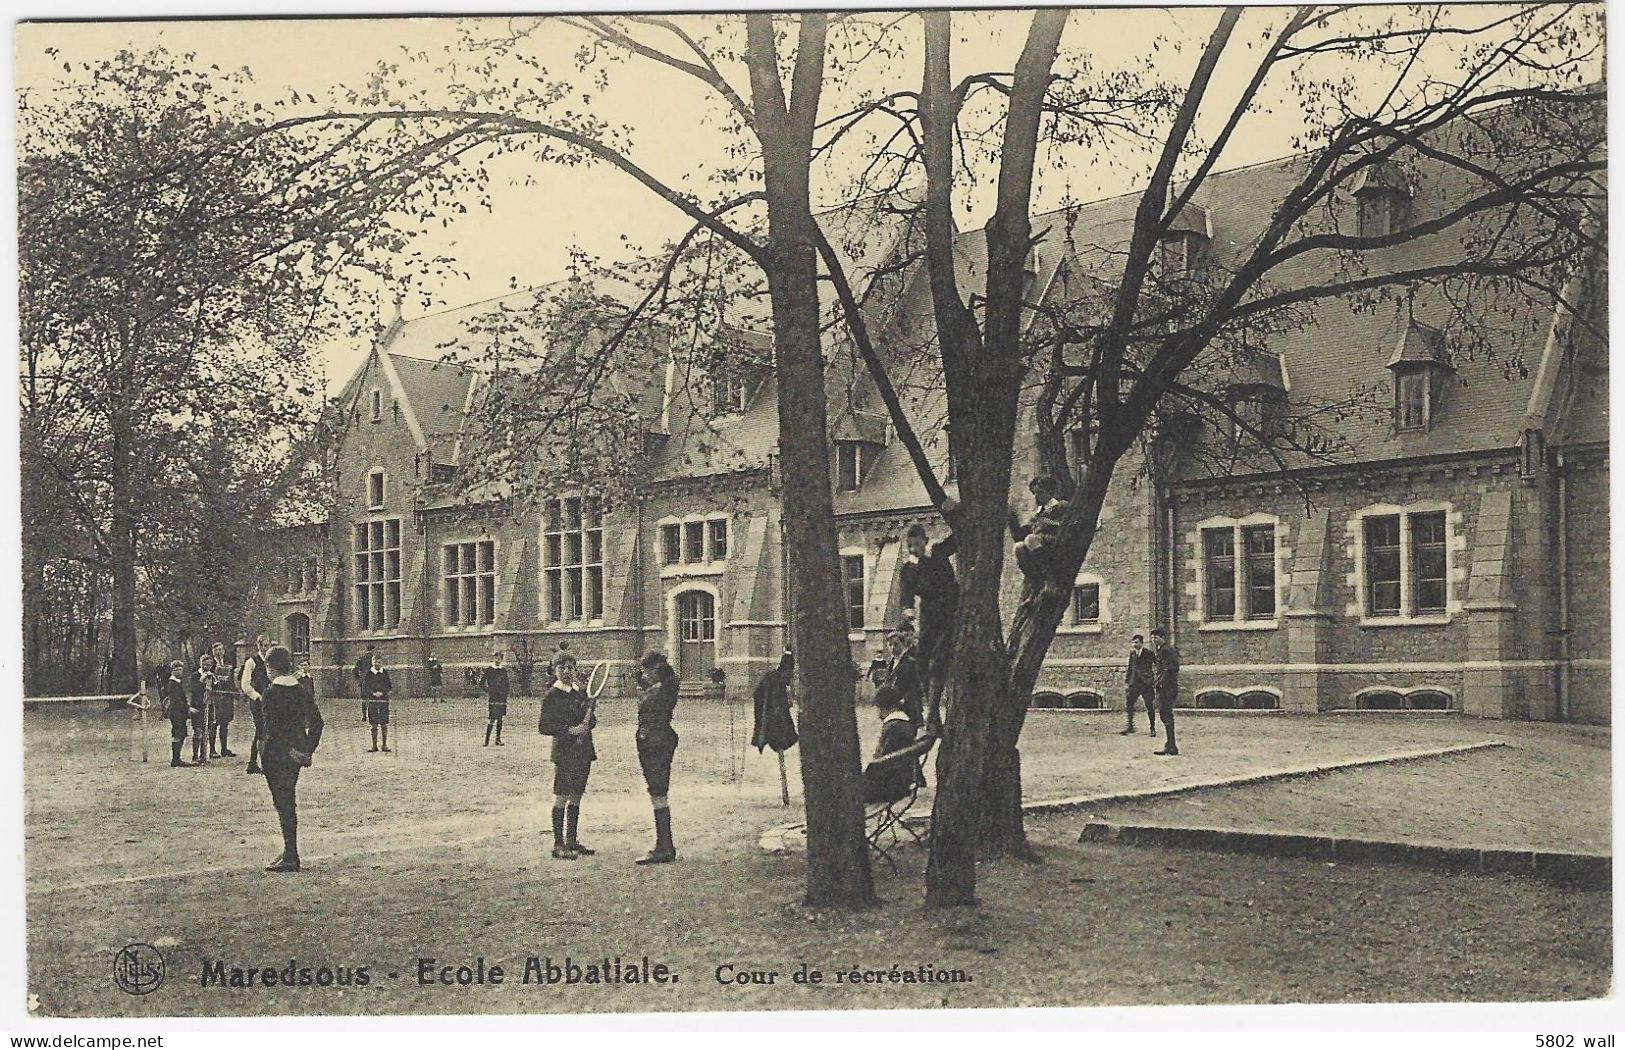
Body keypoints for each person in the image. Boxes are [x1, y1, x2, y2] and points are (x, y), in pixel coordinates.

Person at [260, 645, 324, 872]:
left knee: (283, 803)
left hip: (276, 754)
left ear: (270, 668)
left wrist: (289, 750)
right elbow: (317, 723)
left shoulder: (270, 694)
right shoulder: (301, 691)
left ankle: (291, 854)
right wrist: (306, 749)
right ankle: (289, 850)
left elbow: (272, 729)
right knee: (287, 801)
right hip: (295, 753)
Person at [898, 511, 958, 733]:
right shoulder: (909, 569)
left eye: (917, 544)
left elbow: (959, 537)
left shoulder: (938, 555)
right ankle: (931, 710)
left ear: (925, 540)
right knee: (921, 659)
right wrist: (907, 609)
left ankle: (933, 712)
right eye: (910, 546)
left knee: (939, 660)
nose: (914, 549)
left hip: (949, 613)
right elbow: (906, 594)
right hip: (929, 615)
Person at [543, 653, 596, 860]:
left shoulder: (580, 693)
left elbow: (591, 722)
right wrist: (570, 730)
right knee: (562, 795)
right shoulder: (552, 695)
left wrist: (589, 718)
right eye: (562, 667)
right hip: (565, 751)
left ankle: (572, 839)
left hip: (583, 751)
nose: (566, 672)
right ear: (555, 670)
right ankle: (558, 843)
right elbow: (545, 726)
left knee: (577, 794)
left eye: (570, 668)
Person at [634, 651, 681, 865]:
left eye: (646, 671)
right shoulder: (667, 688)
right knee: (659, 792)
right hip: (661, 740)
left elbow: (646, 708)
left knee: (657, 793)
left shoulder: (656, 691)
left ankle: (664, 846)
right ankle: (665, 843)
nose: (644, 675)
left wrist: (642, 693)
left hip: (654, 742)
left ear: (654, 669)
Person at [1008, 474, 1070, 597]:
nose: (1037, 497)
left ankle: (1049, 578)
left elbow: (1066, 525)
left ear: (1050, 492)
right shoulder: (1039, 512)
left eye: (1040, 493)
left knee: (1030, 539)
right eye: (1035, 493)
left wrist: (1047, 523)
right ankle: (1035, 580)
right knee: (1019, 547)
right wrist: (1012, 520)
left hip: (1054, 541)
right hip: (1038, 544)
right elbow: (1023, 533)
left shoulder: (1061, 506)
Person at [862, 685, 921, 804]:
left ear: (884, 707)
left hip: (891, 786)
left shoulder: (893, 727)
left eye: (878, 708)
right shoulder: (904, 723)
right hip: (901, 780)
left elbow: (883, 761)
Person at [750, 651, 799, 754]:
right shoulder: (776, 681)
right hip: (774, 726)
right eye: (790, 673)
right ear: (786, 671)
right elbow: (777, 707)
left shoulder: (773, 678)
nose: (790, 677)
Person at [239, 634, 272, 775]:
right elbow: (245, 685)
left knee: (263, 731)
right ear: (258, 645)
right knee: (261, 731)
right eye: (263, 645)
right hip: (257, 701)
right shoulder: (251, 662)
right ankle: (262, 764)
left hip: (270, 701)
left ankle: (253, 763)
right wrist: (257, 697)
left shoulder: (271, 661)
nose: (265, 648)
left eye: (267, 645)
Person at [1151, 627, 1181, 756]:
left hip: (1167, 688)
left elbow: (1170, 670)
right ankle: (1170, 744)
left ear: (1163, 638)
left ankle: (1171, 746)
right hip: (1166, 687)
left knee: (1166, 715)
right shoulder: (1162, 650)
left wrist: (1159, 683)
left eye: (1156, 637)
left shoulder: (1166, 651)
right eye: (1152, 637)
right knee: (1165, 715)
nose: (1154, 640)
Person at [1123, 633, 1158, 736]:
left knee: (1149, 706)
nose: (1134, 644)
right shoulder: (1132, 654)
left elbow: (1157, 665)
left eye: (1137, 642)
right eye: (1133, 642)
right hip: (1134, 684)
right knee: (1129, 704)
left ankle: (1152, 728)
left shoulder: (1149, 653)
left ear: (1142, 643)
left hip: (1146, 684)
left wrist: (1153, 678)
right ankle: (1130, 726)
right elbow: (1130, 668)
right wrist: (1127, 682)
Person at [160, 659, 192, 768]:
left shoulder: (178, 682)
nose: (179, 672)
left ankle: (177, 758)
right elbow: (177, 700)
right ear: (172, 671)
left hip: (180, 712)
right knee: (177, 734)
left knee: (181, 733)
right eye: (176, 670)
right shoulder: (172, 684)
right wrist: (188, 708)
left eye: (180, 669)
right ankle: (175, 759)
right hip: (176, 712)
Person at [187, 654, 218, 764]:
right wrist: (202, 679)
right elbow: (194, 689)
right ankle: (195, 756)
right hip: (197, 706)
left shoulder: (211, 675)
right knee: (198, 730)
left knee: (208, 729)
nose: (207, 667)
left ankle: (204, 755)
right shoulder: (195, 675)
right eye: (205, 664)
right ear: (201, 664)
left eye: (209, 664)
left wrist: (214, 680)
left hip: (209, 705)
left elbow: (215, 689)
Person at [208, 642, 237, 757]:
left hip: (226, 697)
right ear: (213, 652)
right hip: (215, 697)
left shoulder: (228, 664)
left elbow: (231, 680)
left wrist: (235, 692)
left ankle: (224, 749)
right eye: (216, 650)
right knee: (214, 723)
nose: (218, 652)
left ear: (224, 651)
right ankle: (212, 750)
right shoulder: (210, 665)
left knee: (225, 723)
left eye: (220, 650)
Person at [361, 654, 392, 753]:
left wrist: (382, 692)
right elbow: (365, 687)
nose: (377, 664)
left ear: (381, 663)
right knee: (373, 723)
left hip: (383, 701)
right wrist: (373, 693)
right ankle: (374, 745)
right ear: (372, 662)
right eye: (375, 662)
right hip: (373, 701)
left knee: (384, 723)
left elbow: (389, 686)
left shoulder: (385, 673)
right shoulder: (369, 674)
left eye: (379, 662)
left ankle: (384, 745)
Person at [479, 650, 510, 747]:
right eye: (496, 658)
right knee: (492, 718)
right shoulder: (489, 670)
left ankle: (498, 739)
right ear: (493, 658)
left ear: (501, 659)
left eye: (499, 658)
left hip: (501, 698)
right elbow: (481, 683)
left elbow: (507, 684)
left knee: (500, 718)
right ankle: (486, 740)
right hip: (493, 698)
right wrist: (489, 690)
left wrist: (505, 692)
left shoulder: (503, 670)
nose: (497, 660)